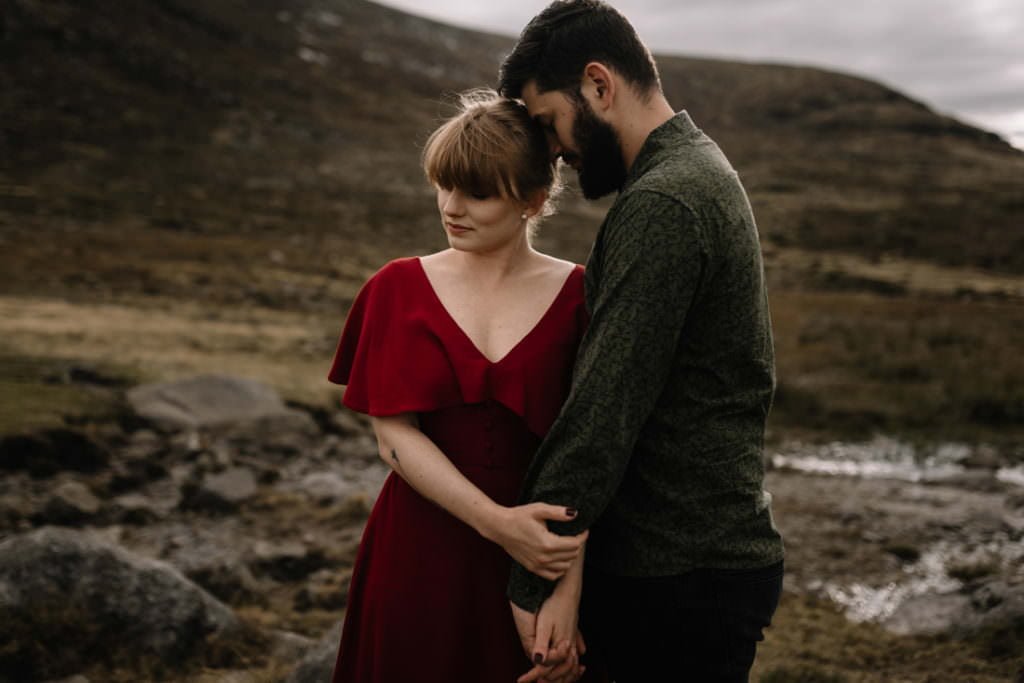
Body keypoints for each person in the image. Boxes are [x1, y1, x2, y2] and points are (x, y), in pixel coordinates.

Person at [497, 2, 786, 681]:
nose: (554, 153)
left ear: (599, 85)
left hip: (676, 577)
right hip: (695, 564)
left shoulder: (665, 200)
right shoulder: (690, 169)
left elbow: (605, 405)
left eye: (548, 123)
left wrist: (532, 575)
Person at [326, 89, 604, 683]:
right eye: (443, 185)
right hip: (418, 550)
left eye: (476, 193)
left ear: (532, 199)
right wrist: (500, 526)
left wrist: (562, 590)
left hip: (540, 558)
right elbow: (393, 437)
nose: (451, 207)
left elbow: (594, 452)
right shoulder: (394, 288)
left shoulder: (582, 297)